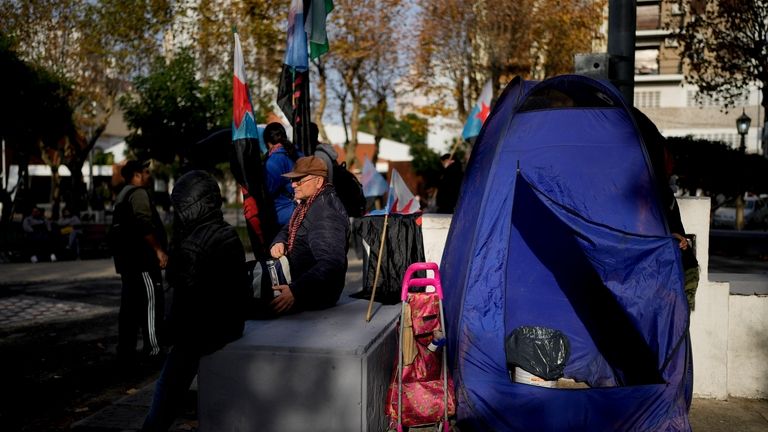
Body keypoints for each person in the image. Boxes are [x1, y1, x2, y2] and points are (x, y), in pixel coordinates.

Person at [142, 170, 249, 432]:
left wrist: (166, 334)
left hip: (203, 333)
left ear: (188, 205)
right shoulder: (228, 233)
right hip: (232, 325)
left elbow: (184, 309)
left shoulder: (192, 246)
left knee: (168, 386)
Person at [268, 156, 349, 314]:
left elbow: (331, 263)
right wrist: (279, 242)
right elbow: (288, 228)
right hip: (299, 286)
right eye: (293, 180)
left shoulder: (326, 212)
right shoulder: (310, 203)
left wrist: (296, 291)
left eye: (299, 180)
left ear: (318, 181)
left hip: (313, 295)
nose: (293, 185)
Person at [111, 159, 168, 362]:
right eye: (145, 172)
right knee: (152, 304)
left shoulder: (122, 195)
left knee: (129, 307)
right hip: (143, 261)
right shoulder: (138, 193)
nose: (148, 175)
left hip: (127, 263)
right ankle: (154, 349)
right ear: (136, 175)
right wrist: (159, 250)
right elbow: (144, 224)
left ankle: (125, 350)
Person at [263, 122, 301, 226]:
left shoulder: (273, 161)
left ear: (267, 142)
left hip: (283, 215)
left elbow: (268, 190)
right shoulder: (298, 153)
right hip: (304, 212)